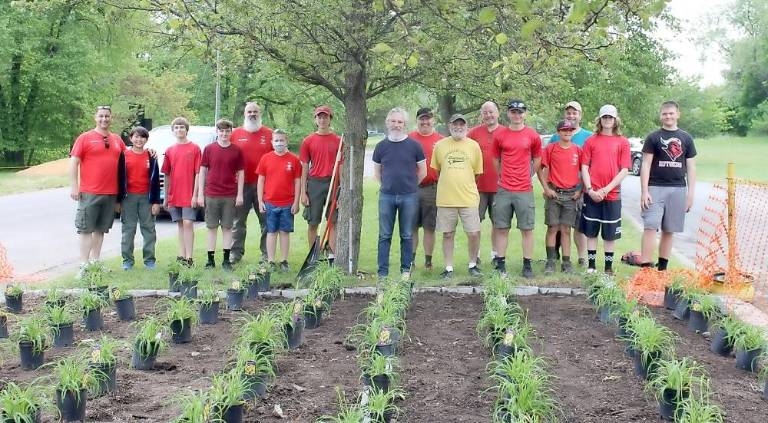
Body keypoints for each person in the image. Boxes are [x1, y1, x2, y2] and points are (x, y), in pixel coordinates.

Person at [640, 101, 697, 271]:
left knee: (669, 229)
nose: (668, 116)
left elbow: (692, 167)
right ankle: (646, 268)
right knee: (650, 226)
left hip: (678, 188)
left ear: (678, 114)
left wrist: (690, 194)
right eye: (665, 114)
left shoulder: (686, 138)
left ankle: (662, 268)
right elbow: (645, 165)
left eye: (671, 113)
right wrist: (644, 191)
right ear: (661, 116)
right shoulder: (653, 137)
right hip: (655, 187)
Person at [69, 105, 126, 276]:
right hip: (89, 192)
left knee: (100, 229)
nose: (104, 119)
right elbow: (74, 162)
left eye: (107, 116)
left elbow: (128, 158)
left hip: (111, 193)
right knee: (86, 228)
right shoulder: (85, 138)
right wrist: (74, 186)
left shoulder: (117, 140)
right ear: (95, 118)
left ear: (111, 118)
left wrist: (149, 152)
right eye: (101, 116)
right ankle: (84, 266)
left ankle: (95, 262)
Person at [372, 107, 427, 280]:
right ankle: (382, 273)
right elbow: (377, 173)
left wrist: (410, 185)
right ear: (388, 123)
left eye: (400, 122)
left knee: (407, 235)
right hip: (386, 196)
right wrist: (388, 186)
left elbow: (423, 172)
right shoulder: (381, 147)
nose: (396, 125)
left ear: (404, 124)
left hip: (409, 196)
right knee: (384, 235)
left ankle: (405, 270)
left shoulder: (414, 146)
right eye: (393, 121)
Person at [491, 99, 543, 278]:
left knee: (527, 229)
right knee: (501, 228)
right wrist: (502, 175)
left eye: (520, 112)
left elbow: (537, 159)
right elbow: (496, 159)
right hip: (504, 189)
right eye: (513, 112)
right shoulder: (500, 135)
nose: (517, 115)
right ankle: (500, 265)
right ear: (508, 114)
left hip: (524, 190)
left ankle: (527, 265)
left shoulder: (532, 135)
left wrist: (528, 175)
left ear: (525, 114)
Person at [579, 105, 631, 274]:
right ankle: (591, 266)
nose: (607, 120)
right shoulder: (591, 140)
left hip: (612, 195)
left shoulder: (622, 141)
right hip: (592, 194)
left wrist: (606, 190)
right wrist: (590, 189)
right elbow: (584, 167)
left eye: (610, 117)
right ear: (600, 119)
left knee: (609, 234)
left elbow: (624, 169)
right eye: (604, 117)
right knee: (591, 232)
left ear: (615, 119)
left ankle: (608, 268)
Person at [431, 114, 484, 279]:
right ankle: (448, 268)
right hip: (446, 198)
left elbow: (476, 173)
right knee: (447, 234)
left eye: (462, 124)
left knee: (473, 232)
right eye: (455, 124)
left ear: (466, 127)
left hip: (468, 198)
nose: (458, 127)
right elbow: (438, 170)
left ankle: (473, 264)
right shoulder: (440, 146)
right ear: (449, 125)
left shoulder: (474, 146)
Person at [548, 101, 593, 266]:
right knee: (557, 226)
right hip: (558, 188)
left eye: (575, 113)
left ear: (580, 115)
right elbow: (549, 164)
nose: (571, 116)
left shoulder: (588, 136)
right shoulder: (555, 137)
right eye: (568, 113)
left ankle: (581, 257)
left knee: (578, 225)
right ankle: (555, 257)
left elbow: (590, 164)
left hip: (579, 187)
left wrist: (584, 187)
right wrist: (547, 187)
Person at [197, 119, 244, 270]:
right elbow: (202, 171)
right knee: (211, 227)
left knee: (227, 227)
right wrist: (199, 194)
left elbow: (241, 173)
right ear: (217, 132)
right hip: (211, 194)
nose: (224, 134)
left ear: (231, 132)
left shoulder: (236, 150)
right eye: (221, 131)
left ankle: (226, 260)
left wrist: (240, 194)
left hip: (229, 194)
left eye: (227, 131)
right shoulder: (209, 149)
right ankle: (210, 260)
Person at [230, 102, 273, 264]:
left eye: (255, 111)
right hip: (241, 185)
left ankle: (266, 254)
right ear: (245, 114)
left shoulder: (269, 134)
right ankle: (235, 253)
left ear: (260, 114)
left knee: (266, 221)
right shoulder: (235, 134)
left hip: (264, 185)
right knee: (238, 221)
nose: (252, 114)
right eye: (249, 112)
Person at [299, 105, 342, 260]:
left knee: (333, 220)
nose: (322, 119)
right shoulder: (308, 141)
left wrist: (340, 190)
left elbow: (341, 166)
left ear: (330, 119)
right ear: (315, 120)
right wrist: (303, 192)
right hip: (315, 183)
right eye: (320, 117)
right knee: (313, 221)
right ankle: (313, 255)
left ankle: (331, 253)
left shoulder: (338, 140)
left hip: (332, 182)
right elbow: (304, 168)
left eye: (326, 117)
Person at [257, 129, 303, 272]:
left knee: (284, 232)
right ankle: (271, 260)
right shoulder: (266, 158)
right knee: (271, 231)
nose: (279, 143)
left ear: (286, 141)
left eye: (281, 140)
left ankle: (284, 260)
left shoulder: (294, 160)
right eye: (276, 141)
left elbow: (297, 182)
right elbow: (261, 181)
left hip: (287, 203)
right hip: (270, 202)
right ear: (271, 142)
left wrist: (296, 202)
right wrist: (260, 201)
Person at [540, 121, 582, 274]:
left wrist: (580, 190)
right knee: (552, 228)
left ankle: (566, 261)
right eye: (564, 130)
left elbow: (584, 171)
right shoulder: (551, 148)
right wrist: (546, 188)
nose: (567, 132)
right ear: (558, 132)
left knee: (566, 229)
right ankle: (550, 261)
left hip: (571, 195)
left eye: (570, 130)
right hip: (554, 193)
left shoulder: (578, 150)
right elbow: (540, 167)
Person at [117, 126, 161, 270]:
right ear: (131, 138)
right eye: (136, 136)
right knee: (128, 229)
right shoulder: (123, 155)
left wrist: (155, 201)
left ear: (146, 139)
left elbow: (155, 182)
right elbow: (118, 178)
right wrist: (118, 201)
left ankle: (149, 260)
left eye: (142, 137)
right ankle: (127, 261)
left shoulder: (152, 156)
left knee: (148, 229)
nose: (139, 139)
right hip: (128, 197)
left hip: (146, 198)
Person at [161, 117, 202, 266]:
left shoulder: (195, 148)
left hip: (189, 194)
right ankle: (181, 255)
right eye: (176, 127)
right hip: (174, 194)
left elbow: (198, 173)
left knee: (188, 223)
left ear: (186, 130)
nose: (179, 130)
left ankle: (190, 257)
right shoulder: (170, 150)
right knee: (180, 224)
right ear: (173, 131)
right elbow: (166, 174)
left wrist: (196, 194)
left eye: (182, 127)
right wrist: (166, 197)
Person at [468, 101, 503, 266]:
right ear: (482, 115)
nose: (489, 115)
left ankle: (496, 255)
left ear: (498, 113)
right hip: (477, 187)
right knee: (475, 222)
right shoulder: (473, 133)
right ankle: (477, 255)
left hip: (500, 187)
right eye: (485, 112)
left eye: (491, 112)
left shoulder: (506, 132)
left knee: (497, 222)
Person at [409, 107, 442, 270]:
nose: (425, 122)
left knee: (430, 226)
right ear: (417, 121)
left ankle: (428, 262)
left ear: (433, 120)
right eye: (422, 119)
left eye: (428, 119)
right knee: (412, 226)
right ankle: (411, 260)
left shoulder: (441, 140)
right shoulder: (409, 138)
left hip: (432, 188)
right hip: (412, 188)